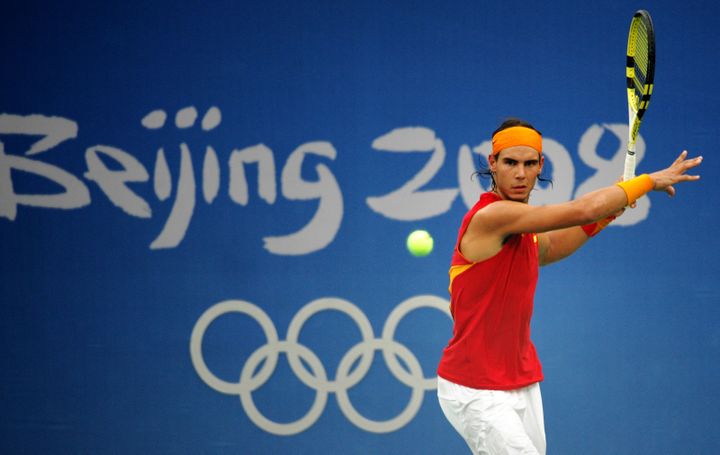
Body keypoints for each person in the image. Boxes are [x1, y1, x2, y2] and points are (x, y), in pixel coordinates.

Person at [436, 118, 702, 455]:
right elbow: (582, 209)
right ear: (493, 164)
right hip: (474, 387)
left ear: (540, 166)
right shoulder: (492, 216)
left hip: (519, 380)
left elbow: (550, 248)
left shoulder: (522, 228)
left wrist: (608, 214)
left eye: (529, 164)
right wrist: (646, 182)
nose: (520, 173)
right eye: (510, 163)